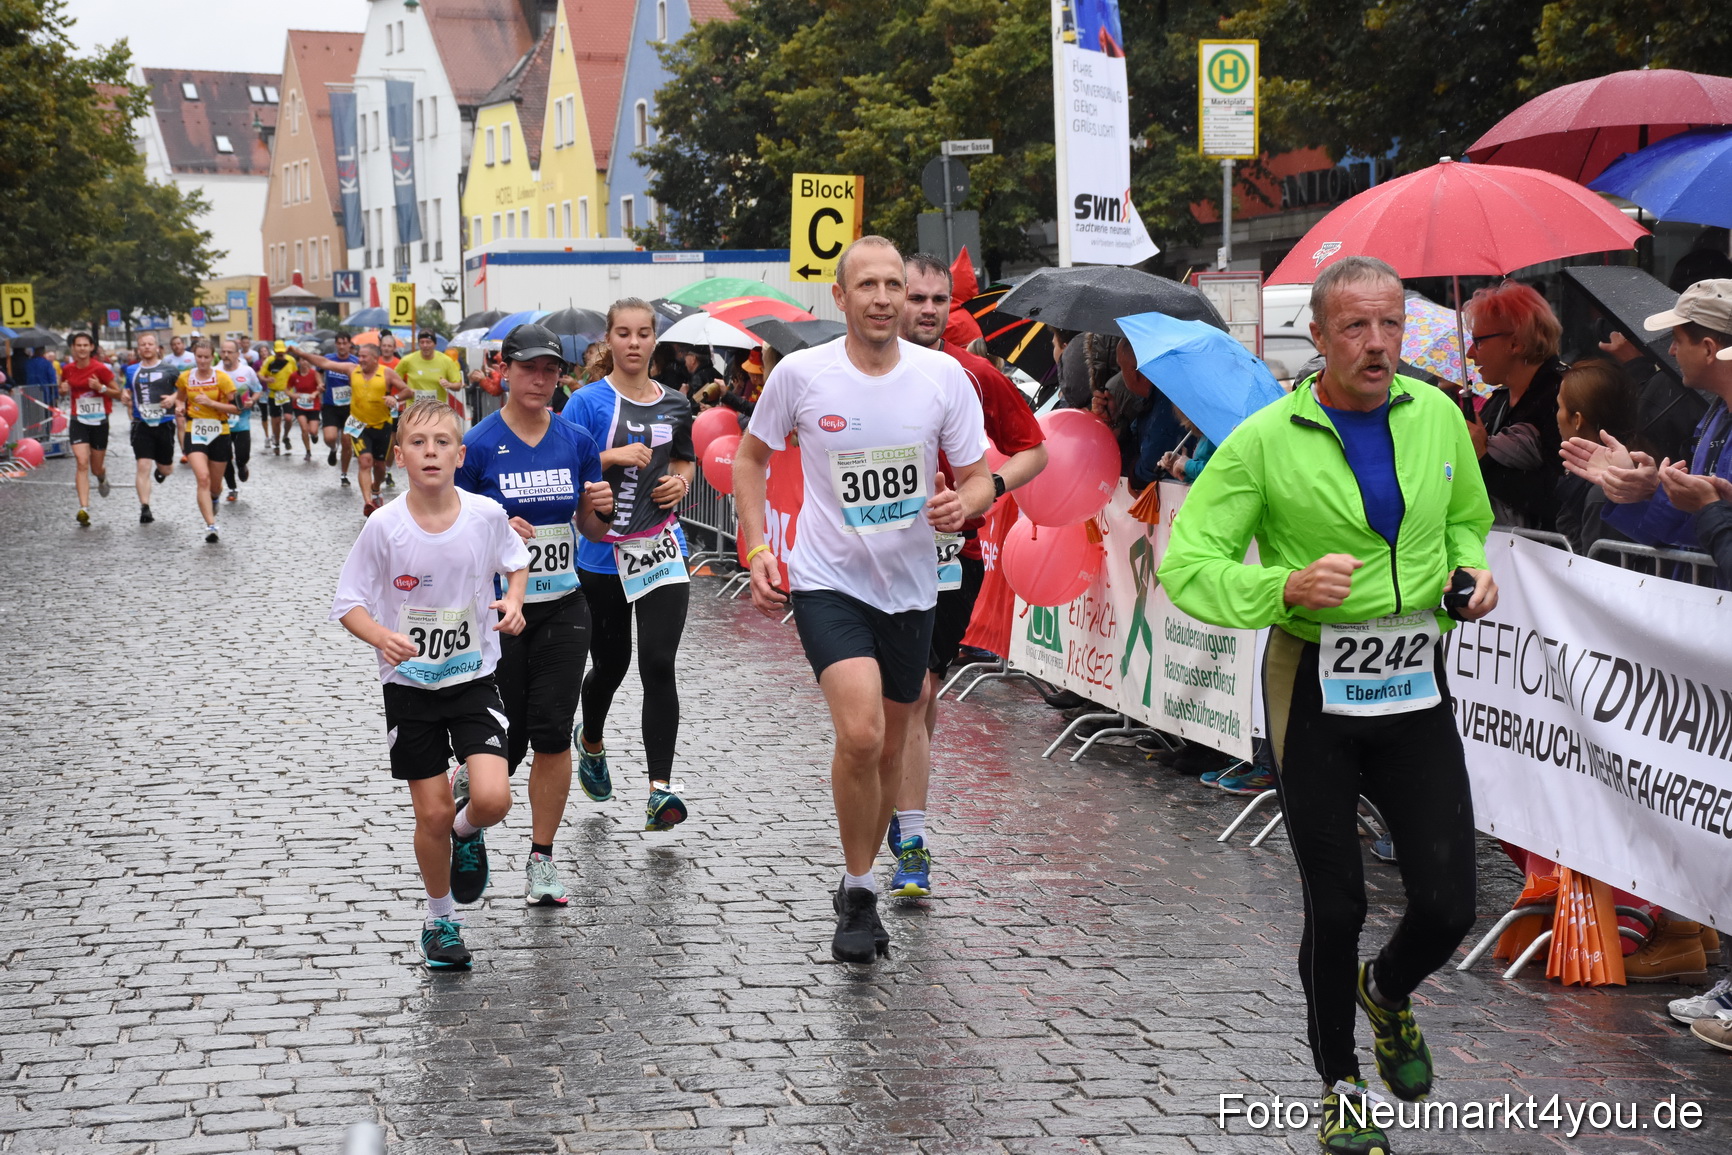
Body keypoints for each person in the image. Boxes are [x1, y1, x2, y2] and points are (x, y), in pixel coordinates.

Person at [1158, 255, 1497, 1154]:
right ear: (1316, 336)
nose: (1378, 343)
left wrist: (1472, 573)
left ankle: (1385, 992)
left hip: (1415, 680)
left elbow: (1469, 518)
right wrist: (1282, 588)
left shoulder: (1437, 419)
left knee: (1449, 904)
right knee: (1336, 903)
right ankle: (1341, 1087)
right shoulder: (1267, 439)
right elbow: (1187, 563)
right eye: (1355, 326)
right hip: (1313, 686)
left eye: (1390, 324)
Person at [733, 237, 991, 964]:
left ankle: (860, 878)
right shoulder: (801, 375)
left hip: (911, 588)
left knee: (891, 743)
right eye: (867, 285)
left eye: (893, 285)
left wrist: (960, 505)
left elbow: (976, 475)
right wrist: (756, 548)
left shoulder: (941, 378)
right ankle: (860, 889)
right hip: (827, 581)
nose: (882, 298)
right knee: (864, 733)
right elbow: (750, 460)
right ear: (839, 298)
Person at [330, 398, 529, 969]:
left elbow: (516, 561)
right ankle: (440, 921)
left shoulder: (486, 515)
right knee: (432, 814)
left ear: (460, 453)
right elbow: (349, 604)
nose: (431, 452)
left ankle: (468, 834)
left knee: (491, 798)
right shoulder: (383, 526)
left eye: (442, 442)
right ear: (400, 456)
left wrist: (513, 602)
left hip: (472, 676)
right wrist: (380, 637)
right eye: (418, 443)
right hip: (410, 684)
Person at [891, 253, 1046, 898]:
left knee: (921, 695)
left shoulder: (974, 373)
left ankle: (911, 828)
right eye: (917, 298)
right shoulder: (857, 369)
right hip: (874, 557)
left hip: (955, 557)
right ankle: (907, 814)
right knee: (903, 704)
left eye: (938, 300)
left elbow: (1035, 448)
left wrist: (986, 493)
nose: (928, 310)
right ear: (893, 298)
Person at [456, 322, 613, 905]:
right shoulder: (474, 445)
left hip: (564, 605)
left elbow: (594, 529)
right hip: (498, 611)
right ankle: (468, 822)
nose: (541, 380)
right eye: (529, 369)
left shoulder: (575, 441)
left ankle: (542, 859)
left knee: (551, 732)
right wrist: (494, 527)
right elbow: (449, 535)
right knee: (509, 739)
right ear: (505, 372)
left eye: (551, 370)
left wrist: (600, 509)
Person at [559, 299, 699, 832]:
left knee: (659, 664)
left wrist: (681, 481)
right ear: (610, 340)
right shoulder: (587, 403)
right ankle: (590, 738)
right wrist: (614, 459)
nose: (635, 343)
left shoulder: (676, 404)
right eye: (624, 333)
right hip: (602, 555)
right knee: (612, 666)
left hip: (661, 547)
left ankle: (660, 789)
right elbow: (565, 466)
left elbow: (684, 457)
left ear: (655, 340)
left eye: (644, 333)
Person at [1565, 280, 1732, 586]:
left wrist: (1706, 506)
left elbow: (1716, 528)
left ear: (1708, 349)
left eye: (1678, 341)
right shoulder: (1717, 415)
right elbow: (1702, 530)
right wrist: (1648, 492)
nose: (1670, 351)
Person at [1463, 282, 1568, 530]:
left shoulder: (1563, 395)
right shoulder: (1499, 400)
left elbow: (1561, 497)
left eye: (1478, 342)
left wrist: (1484, 458)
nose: (1470, 353)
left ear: (1515, 343)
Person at [303, 342, 413, 516]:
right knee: (364, 462)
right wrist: (300, 353)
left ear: (375, 358)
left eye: (364, 356)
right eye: (359, 356)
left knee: (380, 466)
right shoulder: (352, 370)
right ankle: (368, 502)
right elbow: (324, 363)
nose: (360, 359)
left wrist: (395, 397)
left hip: (382, 425)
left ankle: (376, 488)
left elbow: (408, 391)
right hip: (359, 426)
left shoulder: (386, 373)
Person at [1553, 359, 1635, 554]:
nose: (1556, 415)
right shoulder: (1629, 469)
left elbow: (1600, 571)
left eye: (1559, 406)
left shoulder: (1605, 492)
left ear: (1577, 419)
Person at [172, 338, 239, 543]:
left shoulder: (222, 379)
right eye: (198, 357)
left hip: (220, 431)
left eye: (206, 357)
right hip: (195, 430)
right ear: (194, 356)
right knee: (202, 478)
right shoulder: (185, 377)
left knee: (215, 485)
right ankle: (211, 525)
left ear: (213, 357)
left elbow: (237, 407)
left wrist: (211, 402)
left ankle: (215, 497)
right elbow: (180, 398)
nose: (202, 361)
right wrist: (179, 407)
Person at [59, 332, 120, 525]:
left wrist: (100, 387)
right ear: (73, 348)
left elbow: (117, 393)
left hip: (99, 421)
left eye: (86, 345)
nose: (82, 348)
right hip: (79, 420)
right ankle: (83, 508)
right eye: (79, 345)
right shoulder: (67, 369)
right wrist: (61, 390)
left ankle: (102, 476)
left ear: (92, 347)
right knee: (81, 461)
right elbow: (62, 387)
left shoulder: (100, 369)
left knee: (95, 467)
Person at [123, 333, 180, 523]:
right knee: (143, 465)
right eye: (143, 345)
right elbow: (126, 388)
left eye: (150, 344)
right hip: (142, 424)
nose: (146, 347)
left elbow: (184, 390)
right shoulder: (132, 370)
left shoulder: (170, 369)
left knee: (166, 469)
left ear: (157, 347)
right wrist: (124, 395)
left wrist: (173, 398)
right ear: (138, 349)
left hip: (164, 424)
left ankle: (161, 471)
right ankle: (145, 508)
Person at [219, 339, 263, 502]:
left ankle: (242, 465)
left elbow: (258, 390)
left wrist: (253, 400)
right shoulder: (216, 372)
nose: (226, 355)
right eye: (223, 351)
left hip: (242, 422)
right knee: (224, 457)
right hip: (221, 423)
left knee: (241, 456)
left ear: (238, 354)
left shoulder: (247, 371)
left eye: (230, 352)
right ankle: (232, 488)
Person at [319, 332, 360, 484]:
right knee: (329, 437)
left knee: (347, 441)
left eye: (345, 343)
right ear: (336, 344)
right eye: (339, 343)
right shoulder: (329, 359)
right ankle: (333, 449)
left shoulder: (356, 362)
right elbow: (319, 372)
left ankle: (344, 474)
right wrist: (320, 383)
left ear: (350, 344)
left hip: (350, 407)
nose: (342, 346)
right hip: (331, 405)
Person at [400, 330, 466, 422]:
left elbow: (458, 385)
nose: (425, 345)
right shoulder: (407, 360)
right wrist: (405, 389)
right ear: (418, 344)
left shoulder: (446, 361)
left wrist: (449, 385)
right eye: (422, 342)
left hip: (437, 411)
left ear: (434, 344)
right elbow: (394, 378)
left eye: (428, 342)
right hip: (414, 411)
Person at [259, 339, 295, 454]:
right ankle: (277, 442)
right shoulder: (269, 361)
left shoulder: (291, 360)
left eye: (282, 352)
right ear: (274, 351)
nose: (280, 354)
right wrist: (266, 379)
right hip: (273, 394)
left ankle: (285, 436)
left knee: (289, 418)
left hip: (287, 394)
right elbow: (260, 374)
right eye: (278, 352)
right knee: (276, 421)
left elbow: (296, 374)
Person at [288, 350, 322, 459]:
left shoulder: (314, 373)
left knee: (313, 430)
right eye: (302, 360)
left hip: (313, 405)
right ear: (298, 362)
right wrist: (293, 395)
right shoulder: (294, 375)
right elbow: (286, 389)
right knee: (304, 428)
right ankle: (308, 451)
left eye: (306, 360)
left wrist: (314, 393)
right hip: (299, 405)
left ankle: (315, 435)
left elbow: (321, 387)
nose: (304, 362)